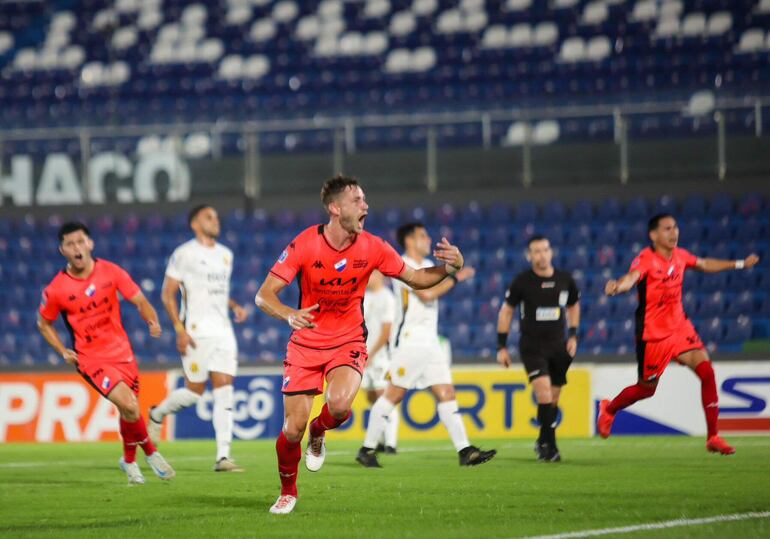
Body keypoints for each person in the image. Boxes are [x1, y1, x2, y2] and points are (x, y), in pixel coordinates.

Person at [254, 175, 469, 515]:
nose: (365, 205)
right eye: (357, 200)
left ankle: (319, 428)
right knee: (291, 429)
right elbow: (264, 295)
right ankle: (287, 490)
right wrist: (288, 314)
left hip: (348, 339)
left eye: (365, 199)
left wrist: (449, 267)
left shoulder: (373, 247)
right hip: (306, 343)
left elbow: (416, 279)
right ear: (335, 208)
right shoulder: (306, 243)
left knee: (339, 407)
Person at [598, 213, 760, 455]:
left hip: (680, 327)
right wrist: (617, 287)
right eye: (667, 229)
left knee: (706, 371)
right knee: (646, 389)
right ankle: (609, 409)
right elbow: (632, 278)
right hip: (654, 334)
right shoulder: (646, 259)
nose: (673, 233)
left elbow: (704, 264)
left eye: (675, 227)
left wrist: (739, 264)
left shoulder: (681, 256)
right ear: (653, 235)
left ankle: (713, 436)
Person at [36, 222, 175, 485]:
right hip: (91, 359)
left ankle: (129, 462)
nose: (76, 248)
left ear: (90, 244)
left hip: (123, 352)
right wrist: (62, 350)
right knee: (130, 405)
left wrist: (152, 320)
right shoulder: (56, 289)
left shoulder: (110, 271)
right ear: (62, 250)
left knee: (129, 411)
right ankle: (151, 453)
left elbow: (140, 300)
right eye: (70, 244)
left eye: (80, 241)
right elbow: (43, 323)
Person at [356, 222, 496, 469]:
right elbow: (426, 294)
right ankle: (367, 448)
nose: (428, 240)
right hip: (410, 340)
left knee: (446, 393)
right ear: (409, 240)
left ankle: (465, 450)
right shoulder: (402, 265)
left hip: (429, 341)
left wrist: (452, 267)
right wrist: (455, 277)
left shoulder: (428, 267)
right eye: (422, 236)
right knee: (393, 394)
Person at [147, 205, 248, 472]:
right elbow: (167, 294)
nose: (215, 221)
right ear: (194, 224)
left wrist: (234, 305)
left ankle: (223, 457)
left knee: (225, 389)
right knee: (194, 392)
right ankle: (157, 414)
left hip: (224, 332)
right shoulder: (184, 254)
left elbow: (213, 291)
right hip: (195, 332)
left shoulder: (226, 255)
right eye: (209, 217)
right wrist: (179, 329)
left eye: (216, 216)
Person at [496, 235, 580, 462]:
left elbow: (573, 306)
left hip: (559, 346)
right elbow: (506, 312)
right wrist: (501, 346)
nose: (541, 255)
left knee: (553, 398)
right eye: (536, 251)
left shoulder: (565, 279)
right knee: (543, 393)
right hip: (532, 346)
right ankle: (550, 445)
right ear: (529, 255)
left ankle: (542, 440)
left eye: (545, 249)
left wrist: (573, 335)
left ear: (551, 252)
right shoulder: (522, 281)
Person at [360, 269, 399, 453]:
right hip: (364, 354)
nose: (367, 278)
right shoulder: (364, 297)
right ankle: (382, 438)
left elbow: (386, 331)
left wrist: (372, 354)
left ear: (380, 276)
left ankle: (391, 443)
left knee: (384, 396)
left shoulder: (387, 298)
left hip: (380, 355)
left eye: (371, 274)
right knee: (371, 397)